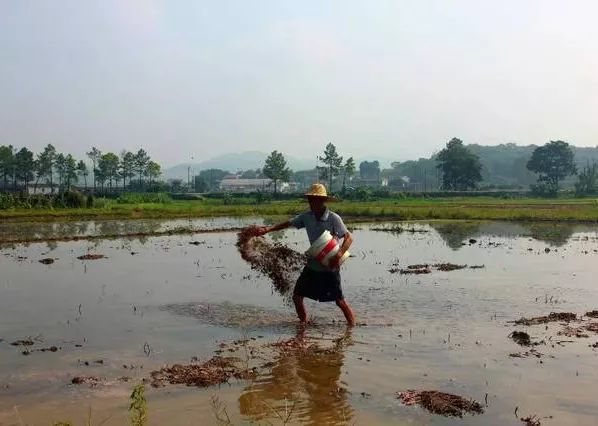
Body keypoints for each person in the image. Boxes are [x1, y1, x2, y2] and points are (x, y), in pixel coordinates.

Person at [255, 183, 356, 326]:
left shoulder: (334, 218)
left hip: (329, 266)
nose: (311, 203)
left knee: (340, 301)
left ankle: (352, 328)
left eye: (314, 200)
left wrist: (339, 254)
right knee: (297, 297)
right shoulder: (306, 217)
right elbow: (288, 223)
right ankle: (303, 325)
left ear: (322, 201)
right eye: (310, 199)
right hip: (312, 265)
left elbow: (348, 238)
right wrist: (268, 229)